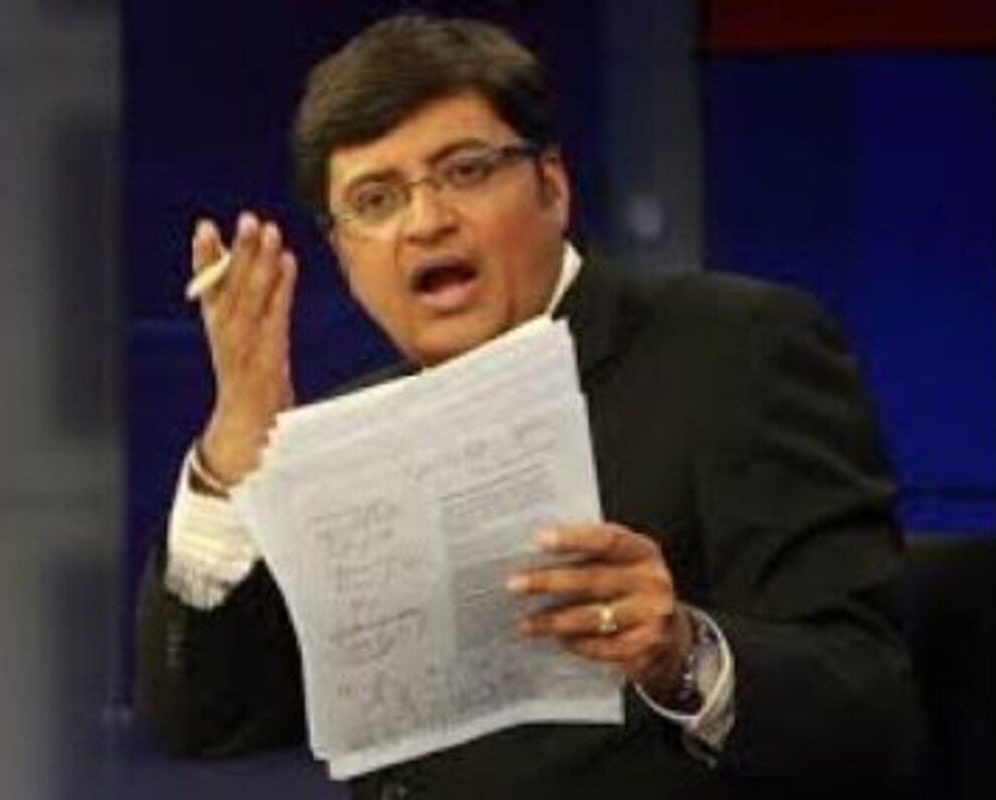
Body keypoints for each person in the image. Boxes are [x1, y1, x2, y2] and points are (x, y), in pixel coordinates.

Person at [135, 12, 925, 800]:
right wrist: (230, 454)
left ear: (551, 186)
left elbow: (871, 704)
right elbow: (207, 722)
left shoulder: (735, 348)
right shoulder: (352, 434)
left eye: (466, 171)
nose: (426, 222)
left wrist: (684, 654)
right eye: (375, 199)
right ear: (342, 254)